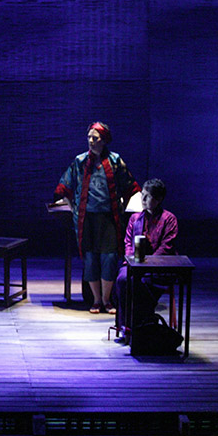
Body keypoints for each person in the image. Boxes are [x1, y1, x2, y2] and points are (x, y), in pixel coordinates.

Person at [54, 122, 140, 314]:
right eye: (89, 137)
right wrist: (74, 207)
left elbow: (130, 186)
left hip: (109, 219)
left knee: (109, 257)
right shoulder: (80, 161)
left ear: (104, 140)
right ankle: (96, 299)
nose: (91, 141)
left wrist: (121, 207)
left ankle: (108, 300)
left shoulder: (115, 161)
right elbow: (64, 187)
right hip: (87, 219)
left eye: (96, 138)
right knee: (90, 258)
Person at [113, 179, 179, 342]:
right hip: (135, 264)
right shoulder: (135, 218)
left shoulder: (169, 219)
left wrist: (149, 263)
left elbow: (167, 246)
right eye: (142, 195)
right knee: (122, 279)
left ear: (158, 199)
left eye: (147, 196)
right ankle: (126, 325)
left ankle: (142, 325)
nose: (143, 200)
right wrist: (132, 261)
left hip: (159, 268)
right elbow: (128, 242)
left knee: (141, 282)